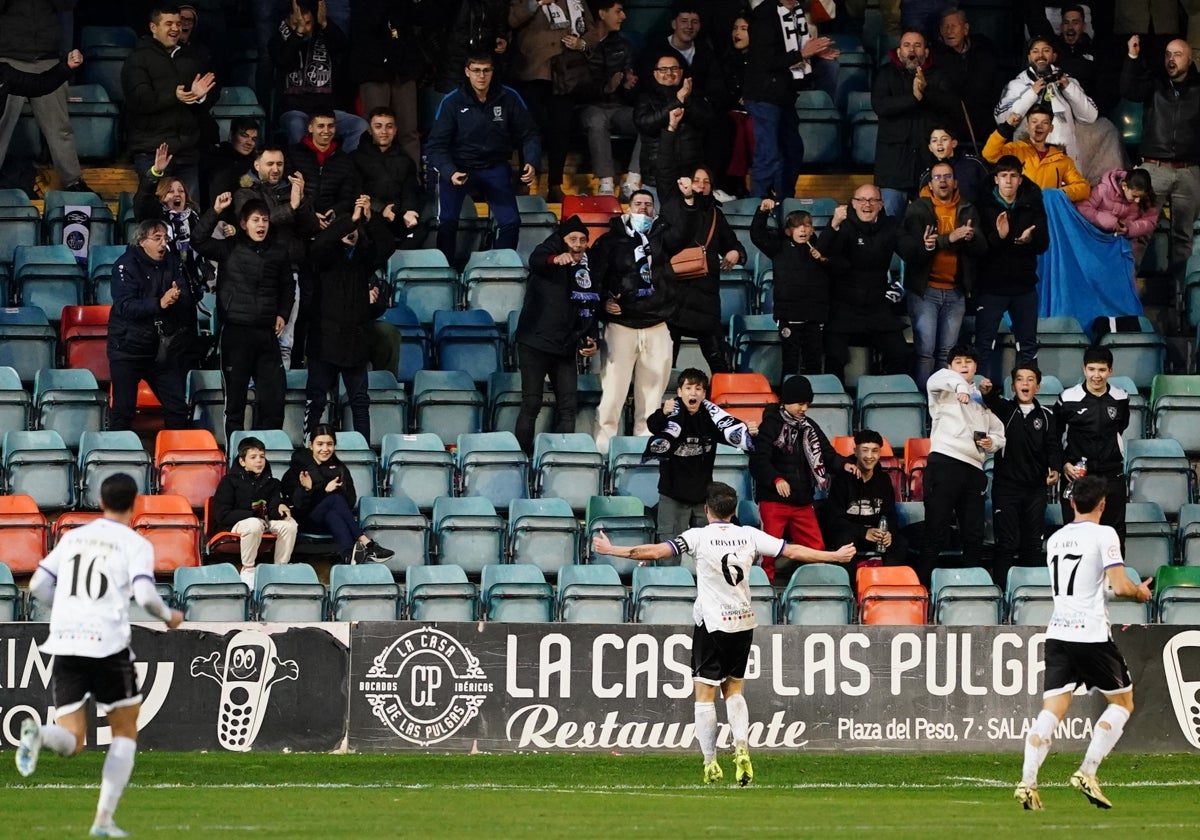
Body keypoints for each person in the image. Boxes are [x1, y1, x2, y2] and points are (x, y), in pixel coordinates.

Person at [591, 481, 856, 787]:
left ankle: (710, 762)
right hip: (742, 624)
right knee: (734, 689)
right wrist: (834, 556)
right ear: (733, 510)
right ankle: (742, 747)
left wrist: (612, 549)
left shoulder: (698, 536)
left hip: (712, 624)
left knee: (704, 696)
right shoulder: (749, 535)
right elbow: (793, 550)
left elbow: (654, 551)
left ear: (706, 510)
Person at [15, 473, 184, 839]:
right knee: (125, 731)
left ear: (100, 500)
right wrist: (170, 616)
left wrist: (66, 608)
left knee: (72, 740)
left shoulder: (74, 537)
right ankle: (103, 821)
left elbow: (40, 584)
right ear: (135, 503)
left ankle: (40, 735)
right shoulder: (134, 544)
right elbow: (146, 595)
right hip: (106, 644)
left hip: (64, 642)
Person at [1013, 474, 1153, 812]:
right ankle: (1087, 772)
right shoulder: (1105, 534)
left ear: (1071, 502)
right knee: (1122, 703)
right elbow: (1119, 586)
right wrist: (1139, 593)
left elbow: (1084, 586)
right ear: (1103, 505)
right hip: (1089, 634)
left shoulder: (1057, 539)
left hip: (1059, 632)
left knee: (1052, 711)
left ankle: (1027, 782)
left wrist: (1108, 589)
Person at [193, 193, 293, 442]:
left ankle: (266, 452)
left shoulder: (278, 251)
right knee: (235, 402)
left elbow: (288, 286)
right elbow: (198, 240)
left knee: (273, 399)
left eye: (265, 220)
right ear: (243, 224)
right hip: (235, 333)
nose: (261, 225)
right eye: (256, 220)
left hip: (266, 334)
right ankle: (235, 456)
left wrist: (283, 313)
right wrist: (214, 211)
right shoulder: (229, 247)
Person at [425, 52, 539, 262]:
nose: (481, 76)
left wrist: (531, 161)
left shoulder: (509, 96)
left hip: (494, 167)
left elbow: (529, 133)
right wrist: (450, 172)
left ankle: (498, 269)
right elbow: (435, 146)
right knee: (447, 222)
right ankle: (446, 274)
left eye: (486, 70)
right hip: (459, 168)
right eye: (476, 70)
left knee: (511, 222)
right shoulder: (452, 102)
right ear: (467, 72)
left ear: (492, 72)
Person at [589, 189, 675, 455]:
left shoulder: (664, 238)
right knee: (612, 394)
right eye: (638, 204)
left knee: (651, 399)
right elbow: (594, 279)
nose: (644, 209)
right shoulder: (609, 241)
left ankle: (644, 451)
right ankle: (603, 452)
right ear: (628, 208)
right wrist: (604, 302)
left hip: (656, 325)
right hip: (621, 326)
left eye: (649, 205)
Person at [750, 374, 857, 582]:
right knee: (768, 555)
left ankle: (814, 591)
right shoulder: (770, 425)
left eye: (807, 403)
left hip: (802, 501)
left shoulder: (809, 426)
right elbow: (758, 461)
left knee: (816, 551)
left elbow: (827, 454)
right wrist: (776, 480)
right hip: (773, 501)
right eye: (800, 403)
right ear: (787, 401)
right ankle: (763, 593)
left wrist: (844, 464)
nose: (804, 408)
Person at [304, 194, 394, 439]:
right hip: (324, 340)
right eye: (345, 227)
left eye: (355, 228)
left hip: (355, 340)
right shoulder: (324, 258)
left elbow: (387, 245)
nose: (351, 231)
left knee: (360, 401)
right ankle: (311, 446)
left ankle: (363, 450)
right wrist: (349, 220)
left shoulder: (363, 260)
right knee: (317, 400)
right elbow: (319, 245)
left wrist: (369, 218)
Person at [917, 344, 1005, 586]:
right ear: (950, 366)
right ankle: (923, 591)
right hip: (945, 462)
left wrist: (992, 442)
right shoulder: (942, 387)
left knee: (974, 535)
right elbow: (936, 378)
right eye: (958, 362)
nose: (964, 366)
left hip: (975, 469)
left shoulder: (982, 398)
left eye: (969, 362)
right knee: (935, 530)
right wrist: (958, 386)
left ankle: (971, 591)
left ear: (976, 367)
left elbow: (1000, 431)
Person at [512, 215, 600, 454]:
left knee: (568, 406)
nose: (579, 244)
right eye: (573, 239)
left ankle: (560, 457)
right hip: (535, 343)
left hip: (565, 347)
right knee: (531, 403)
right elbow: (537, 260)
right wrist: (554, 259)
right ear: (562, 240)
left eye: (583, 239)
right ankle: (522, 459)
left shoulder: (587, 268)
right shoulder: (548, 253)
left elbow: (589, 305)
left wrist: (591, 337)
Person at [897, 160, 985, 391]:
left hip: (955, 292)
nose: (943, 181)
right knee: (925, 353)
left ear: (955, 182)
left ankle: (943, 403)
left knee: (948, 354)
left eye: (947, 176)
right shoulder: (917, 209)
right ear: (931, 183)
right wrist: (950, 238)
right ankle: (923, 406)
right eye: (937, 177)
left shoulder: (967, 209)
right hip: (925, 291)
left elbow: (982, 249)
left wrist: (971, 238)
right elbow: (913, 249)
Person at [1121, 36, 1200, 282]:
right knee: (1139, 232)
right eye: (1167, 54)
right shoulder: (1155, 83)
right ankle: (1126, 292)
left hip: (1189, 171)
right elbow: (1128, 89)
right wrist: (1132, 58)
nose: (1171, 59)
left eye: (1177, 54)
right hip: (1154, 168)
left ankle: (1182, 301)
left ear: (1190, 59)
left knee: (1183, 238)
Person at [645, 368, 754, 545]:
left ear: (704, 393)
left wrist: (749, 433)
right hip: (672, 495)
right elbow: (653, 426)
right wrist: (663, 413)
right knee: (669, 551)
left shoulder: (712, 418)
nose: (693, 393)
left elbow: (732, 435)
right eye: (688, 388)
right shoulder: (669, 415)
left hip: (703, 497)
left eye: (698, 388)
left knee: (709, 549)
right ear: (679, 391)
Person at [742, 0, 838, 200]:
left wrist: (814, 54)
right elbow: (765, 60)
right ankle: (758, 206)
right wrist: (803, 54)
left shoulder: (797, 12)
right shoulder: (765, 15)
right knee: (769, 154)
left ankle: (785, 201)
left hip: (785, 94)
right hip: (764, 94)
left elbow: (795, 46)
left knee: (793, 150)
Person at [107, 219, 196, 432]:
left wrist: (178, 297)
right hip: (127, 348)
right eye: (157, 239)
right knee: (123, 411)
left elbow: (185, 296)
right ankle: (119, 459)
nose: (162, 244)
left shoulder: (172, 262)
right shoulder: (124, 265)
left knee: (177, 408)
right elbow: (125, 306)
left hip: (161, 349)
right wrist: (160, 303)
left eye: (165, 239)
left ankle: (175, 458)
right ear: (141, 242)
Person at [818, 183, 912, 384]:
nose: (867, 205)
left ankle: (887, 396)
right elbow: (821, 255)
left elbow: (912, 253)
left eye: (872, 200)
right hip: (844, 305)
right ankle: (837, 403)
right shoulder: (842, 224)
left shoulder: (891, 225)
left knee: (901, 353)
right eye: (861, 200)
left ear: (881, 204)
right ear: (853, 203)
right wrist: (832, 225)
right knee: (834, 356)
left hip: (877, 305)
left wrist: (929, 245)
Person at [980, 362, 1061, 589]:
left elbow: (1053, 446)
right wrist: (987, 391)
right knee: (1006, 543)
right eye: (1020, 379)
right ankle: (1001, 595)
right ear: (1013, 386)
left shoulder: (1046, 416)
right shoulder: (1005, 410)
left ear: (1038, 386)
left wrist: (1055, 467)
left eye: (1030, 379)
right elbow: (991, 399)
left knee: (1033, 544)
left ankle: (1028, 595)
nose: (1025, 383)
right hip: (1006, 488)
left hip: (1036, 489)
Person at [121, 4, 215, 199]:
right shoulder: (138, 59)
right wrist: (175, 97)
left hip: (187, 152)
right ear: (153, 27)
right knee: (156, 215)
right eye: (169, 23)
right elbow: (140, 100)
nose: (175, 28)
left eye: (178, 24)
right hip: (153, 152)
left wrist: (200, 97)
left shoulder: (192, 58)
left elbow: (208, 95)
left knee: (189, 214)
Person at [233, 145, 314, 368]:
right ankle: (254, 392)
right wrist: (292, 206)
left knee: (285, 341)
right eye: (270, 164)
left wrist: (302, 201)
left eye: (279, 164)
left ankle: (281, 391)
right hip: (257, 273)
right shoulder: (245, 193)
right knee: (256, 340)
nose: (276, 169)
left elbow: (310, 228)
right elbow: (259, 221)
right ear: (257, 165)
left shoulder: (292, 191)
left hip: (291, 272)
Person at [973, 155, 1050, 384]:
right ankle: (980, 398)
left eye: (1013, 176)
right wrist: (999, 237)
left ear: (1020, 179)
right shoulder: (982, 204)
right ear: (996, 179)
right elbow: (977, 248)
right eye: (1004, 176)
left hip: (1024, 286)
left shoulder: (1033, 202)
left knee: (1027, 346)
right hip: (990, 287)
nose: (1008, 181)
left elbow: (1044, 243)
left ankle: (1025, 398)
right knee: (983, 345)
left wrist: (1029, 240)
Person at [507, 0, 594, 203]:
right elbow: (511, 20)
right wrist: (535, 3)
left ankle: (555, 184)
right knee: (530, 128)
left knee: (561, 129)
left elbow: (592, 31)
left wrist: (582, 44)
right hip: (532, 72)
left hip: (565, 73)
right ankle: (525, 181)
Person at [656, 171, 743, 374]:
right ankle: (662, 406)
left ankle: (723, 403)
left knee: (719, 363)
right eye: (696, 181)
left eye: (706, 182)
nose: (701, 186)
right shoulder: (674, 208)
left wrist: (735, 252)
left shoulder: (715, 214)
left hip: (706, 296)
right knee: (665, 364)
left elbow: (732, 243)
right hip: (675, 295)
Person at [0, 2, 89, 192]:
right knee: (2, 126)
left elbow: (68, 5)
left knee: (60, 127)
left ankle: (73, 182)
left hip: (47, 59)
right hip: (8, 59)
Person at [281, 424, 394, 564]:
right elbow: (298, 506)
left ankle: (348, 557)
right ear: (311, 445)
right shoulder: (297, 470)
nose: (325, 449)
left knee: (333, 513)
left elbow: (351, 501)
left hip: (329, 520)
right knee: (334, 499)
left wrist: (337, 490)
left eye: (329, 444)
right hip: (305, 521)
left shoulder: (340, 468)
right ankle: (366, 542)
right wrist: (312, 490)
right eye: (320, 444)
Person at [872, 29, 955, 218]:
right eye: (907, 45)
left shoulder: (938, 75)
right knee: (890, 225)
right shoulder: (885, 73)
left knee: (928, 225)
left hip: (927, 169)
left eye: (918, 46)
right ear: (899, 51)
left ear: (926, 52)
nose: (912, 50)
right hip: (893, 170)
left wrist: (926, 92)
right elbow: (880, 106)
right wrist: (913, 98)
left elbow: (950, 106)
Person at [349, 0, 439, 170]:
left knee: (408, 131)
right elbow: (367, 21)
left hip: (403, 68)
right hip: (373, 67)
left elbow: (424, 16)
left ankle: (413, 181)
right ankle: (375, 181)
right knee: (376, 131)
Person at [1055, 346, 1130, 545]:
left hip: (1111, 473)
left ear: (1110, 371)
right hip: (1078, 475)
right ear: (1084, 369)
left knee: (1114, 533)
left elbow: (1121, 427)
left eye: (1102, 370)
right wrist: (1063, 463)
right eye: (1092, 369)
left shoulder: (1121, 397)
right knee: (1076, 532)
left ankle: (1114, 577)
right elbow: (1053, 436)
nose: (1097, 375)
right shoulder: (1067, 398)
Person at [270, 0, 367, 151]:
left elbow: (341, 47)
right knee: (296, 125)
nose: (305, 27)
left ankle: (342, 167)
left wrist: (324, 23)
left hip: (327, 111)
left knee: (359, 126)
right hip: (295, 110)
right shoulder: (278, 40)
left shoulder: (325, 35)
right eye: (299, 22)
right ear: (288, 20)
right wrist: (298, 33)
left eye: (308, 23)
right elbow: (283, 60)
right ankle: (303, 169)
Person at [750, 198, 830, 379]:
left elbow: (835, 271)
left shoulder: (821, 249)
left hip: (814, 317)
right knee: (790, 362)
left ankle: (815, 400)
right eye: (797, 226)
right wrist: (762, 213)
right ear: (788, 230)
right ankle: (788, 399)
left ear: (813, 229)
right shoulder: (779, 247)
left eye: (807, 225)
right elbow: (757, 235)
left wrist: (824, 259)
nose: (803, 229)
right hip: (789, 316)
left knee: (814, 362)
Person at [994, 35, 1099, 169]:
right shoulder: (1016, 85)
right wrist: (1031, 94)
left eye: (1046, 50)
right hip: (1028, 162)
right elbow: (1001, 119)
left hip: (1064, 163)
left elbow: (1090, 117)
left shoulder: (1068, 82)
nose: (1040, 55)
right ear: (1029, 57)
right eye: (1035, 51)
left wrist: (1069, 89)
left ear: (1054, 56)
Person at [211, 435, 299, 584]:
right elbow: (222, 515)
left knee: (290, 525)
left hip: (264, 522)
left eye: (262, 456)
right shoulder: (228, 482)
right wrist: (253, 515)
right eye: (253, 457)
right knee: (253, 524)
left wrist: (280, 508)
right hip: (234, 525)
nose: (259, 460)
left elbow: (272, 509)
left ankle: (280, 570)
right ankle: (248, 570)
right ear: (242, 461)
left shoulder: (273, 483)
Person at [825, 428, 909, 579]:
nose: (870, 456)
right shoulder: (842, 479)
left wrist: (888, 532)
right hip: (849, 533)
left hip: (875, 534)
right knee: (845, 542)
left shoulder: (883, 480)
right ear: (856, 451)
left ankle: (889, 588)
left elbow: (889, 513)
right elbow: (833, 520)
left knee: (899, 542)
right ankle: (849, 593)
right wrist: (863, 533)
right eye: (865, 450)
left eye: (875, 451)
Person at [579, 0, 641, 198]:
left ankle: (632, 180)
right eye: (618, 11)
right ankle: (606, 184)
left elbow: (630, 88)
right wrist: (607, 87)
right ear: (602, 13)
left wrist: (627, 86)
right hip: (590, 106)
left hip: (618, 107)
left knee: (647, 119)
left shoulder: (623, 45)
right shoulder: (582, 43)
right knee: (597, 120)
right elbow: (577, 86)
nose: (623, 17)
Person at [134, 143, 206, 304]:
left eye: (181, 191)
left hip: (191, 285)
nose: (177, 194)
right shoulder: (155, 216)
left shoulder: (195, 217)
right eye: (170, 191)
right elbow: (142, 201)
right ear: (161, 196)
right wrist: (156, 172)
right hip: (160, 283)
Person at [633, 50, 712, 196]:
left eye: (674, 69)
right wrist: (678, 101)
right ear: (655, 73)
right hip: (656, 177)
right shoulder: (646, 97)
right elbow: (645, 124)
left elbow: (705, 120)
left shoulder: (694, 96)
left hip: (689, 177)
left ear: (681, 72)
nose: (669, 73)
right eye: (663, 69)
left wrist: (686, 100)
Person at [982, 103, 1090, 202]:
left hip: (1048, 215)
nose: (1039, 126)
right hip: (1021, 213)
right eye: (1034, 122)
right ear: (1027, 126)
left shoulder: (1062, 159)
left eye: (1045, 123)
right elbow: (989, 154)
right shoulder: (1015, 150)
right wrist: (1006, 127)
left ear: (1051, 128)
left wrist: (1058, 193)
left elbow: (1083, 188)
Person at [931, 7, 1004, 154]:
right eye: (945, 27)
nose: (949, 31)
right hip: (949, 128)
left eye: (953, 26)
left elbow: (994, 89)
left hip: (983, 124)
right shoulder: (935, 58)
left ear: (965, 29)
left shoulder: (984, 52)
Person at [350, 107, 423, 245]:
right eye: (378, 126)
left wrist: (409, 210)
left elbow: (411, 190)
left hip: (397, 214)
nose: (384, 132)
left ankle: (401, 265)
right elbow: (355, 192)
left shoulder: (405, 160)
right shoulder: (355, 158)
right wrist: (381, 209)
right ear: (370, 130)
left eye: (389, 127)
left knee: (422, 230)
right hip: (369, 213)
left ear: (395, 130)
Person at [1075, 168, 1160, 269]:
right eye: (1134, 196)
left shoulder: (1144, 198)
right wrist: (1112, 223)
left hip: (1123, 246)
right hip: (1097, 241)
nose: (1137, 201)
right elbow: (1083, 208)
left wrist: (1130, 228)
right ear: (1124, 186)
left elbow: (1150, 220)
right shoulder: (1103, 189)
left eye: (1141, 197)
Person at [918, 125, 991, 204]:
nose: (939, 143)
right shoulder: (927, 176)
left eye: (944, 139)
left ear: (954, 143)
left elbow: (991, 191)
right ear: (930, 147)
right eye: (934, 140)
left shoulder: (974, 164)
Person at [205, 117, 260, 203]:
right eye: (244, 136)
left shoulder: (257, 161)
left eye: (254, 139)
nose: (249, 142)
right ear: (231, 135)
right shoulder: (217, 159)